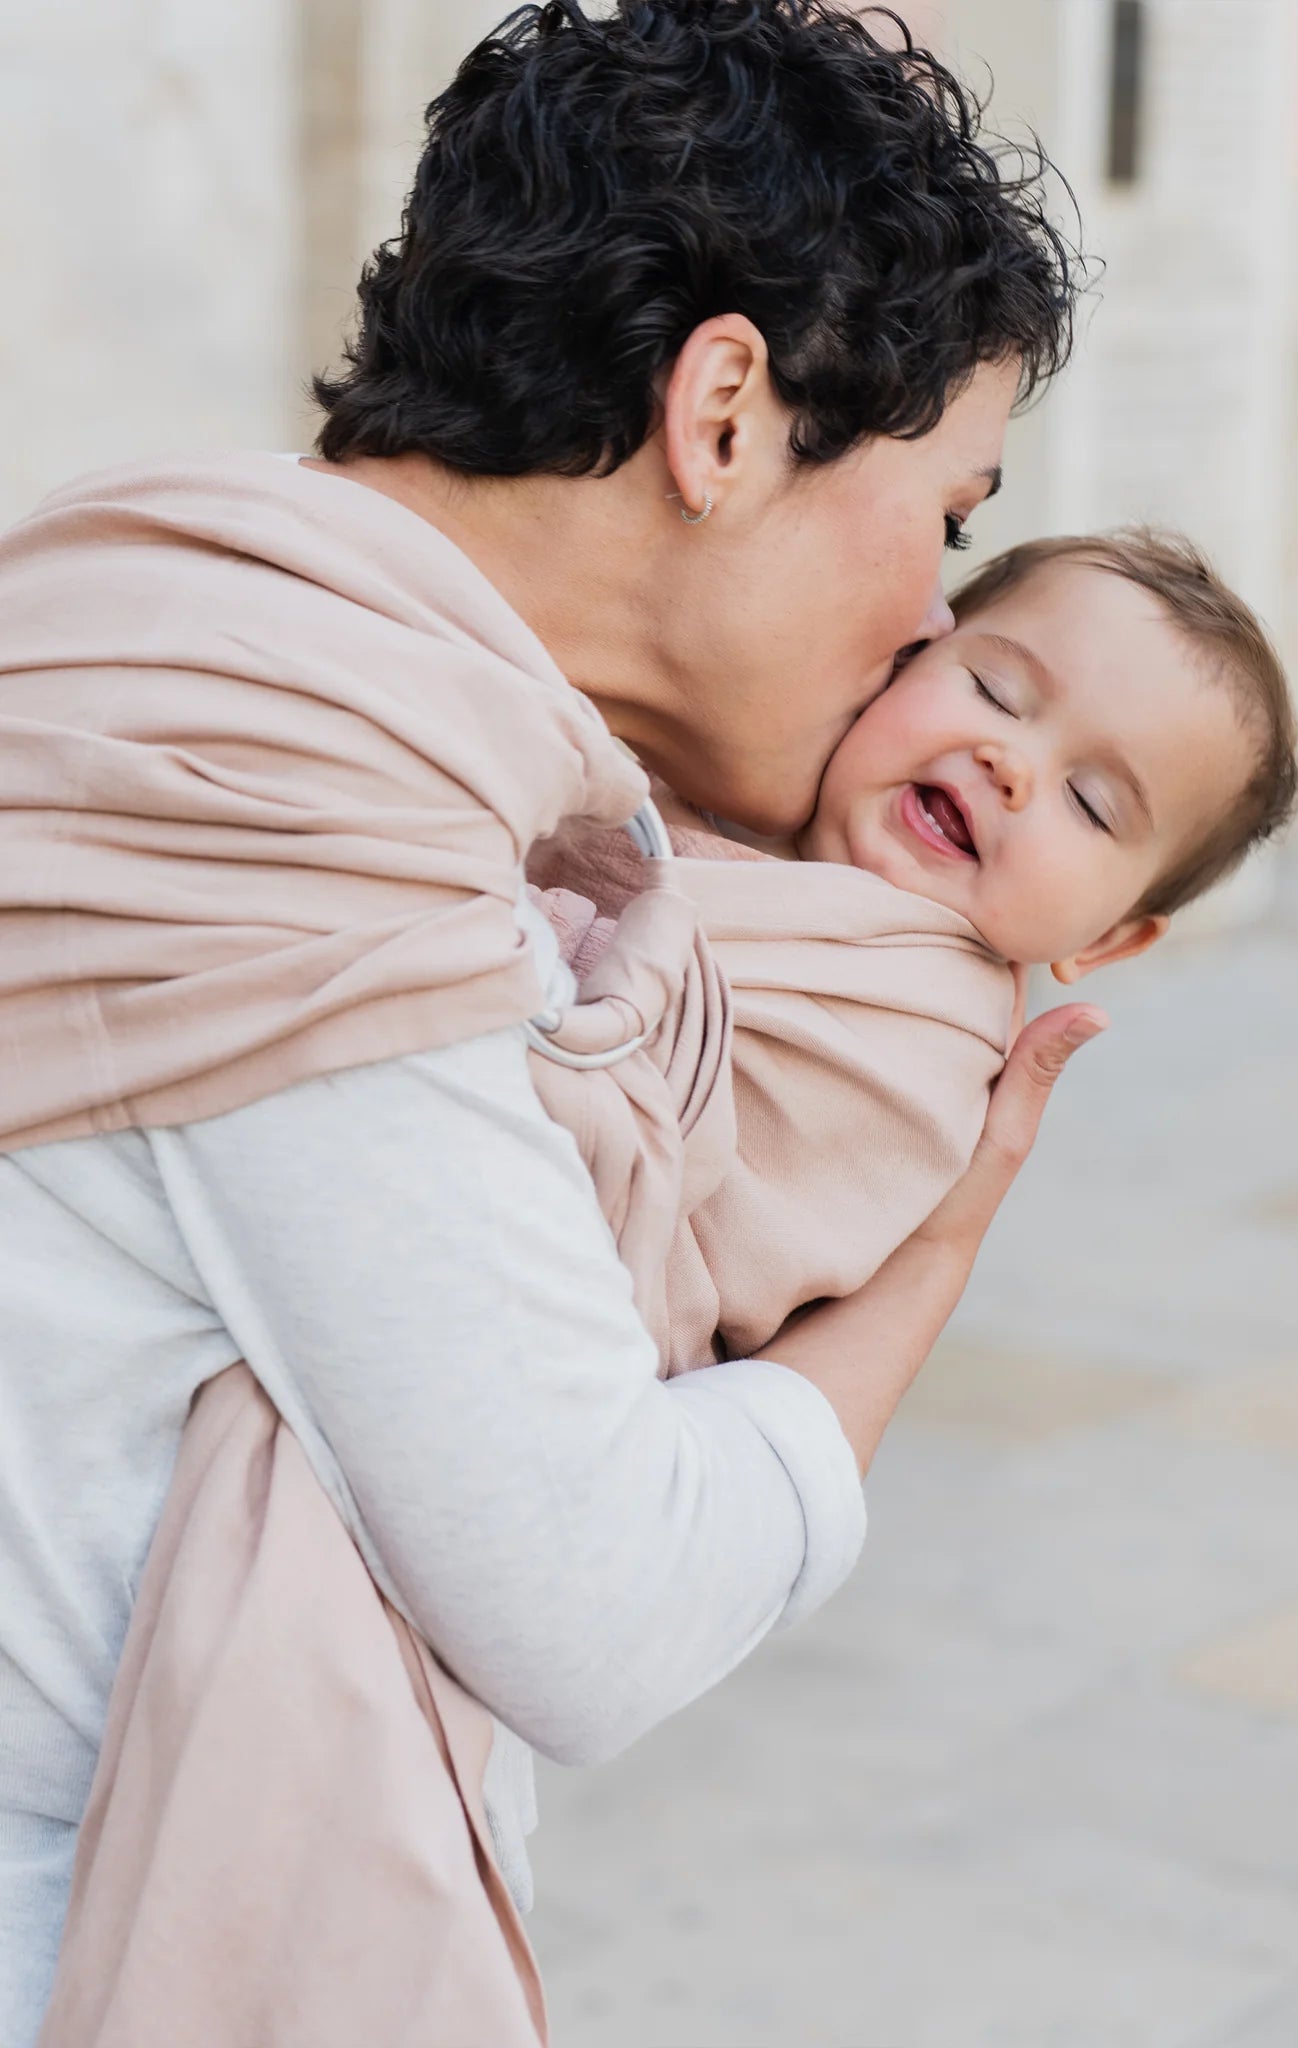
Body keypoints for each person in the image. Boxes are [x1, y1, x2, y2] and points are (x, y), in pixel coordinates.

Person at [0, 2, 1095, 2036]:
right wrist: (921, 1272)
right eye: (942, 515)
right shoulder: (323, 816)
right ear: (725, 412)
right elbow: (585, 1608)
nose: (933, 624)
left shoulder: (147, 619)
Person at [529, 527, 1298, 1369]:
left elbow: (657, 1148)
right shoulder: (717, 774)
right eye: (995, 692)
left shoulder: (920, 1037)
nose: (1007, 762)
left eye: (1088, 801)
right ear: (900, 661)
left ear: (1108, 936)